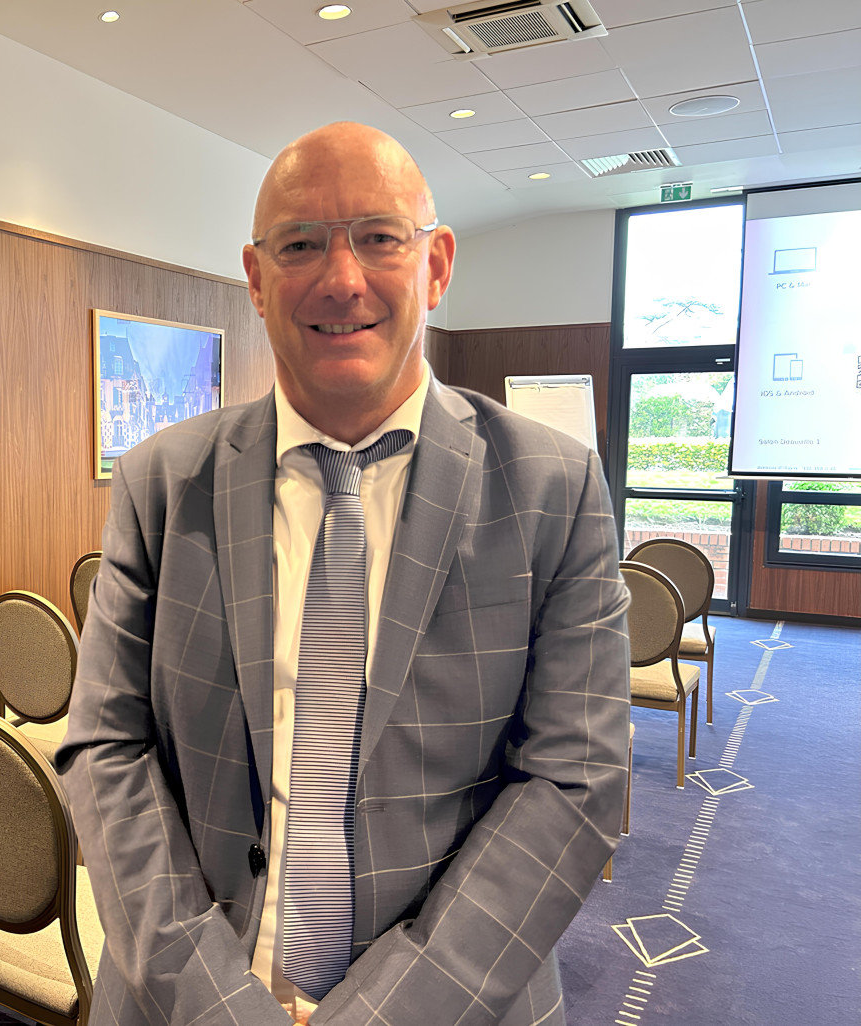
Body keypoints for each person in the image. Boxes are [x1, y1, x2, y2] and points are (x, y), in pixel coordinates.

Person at [56, 122, 630, 1026]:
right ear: (255, 277)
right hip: (185, 1003)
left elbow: (576, 782)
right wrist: (218, 1006)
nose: (341, 277)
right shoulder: (161, 483)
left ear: (436, 264)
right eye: (301, 244)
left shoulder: (553, 487)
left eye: (378, 237)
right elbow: (104, 749)